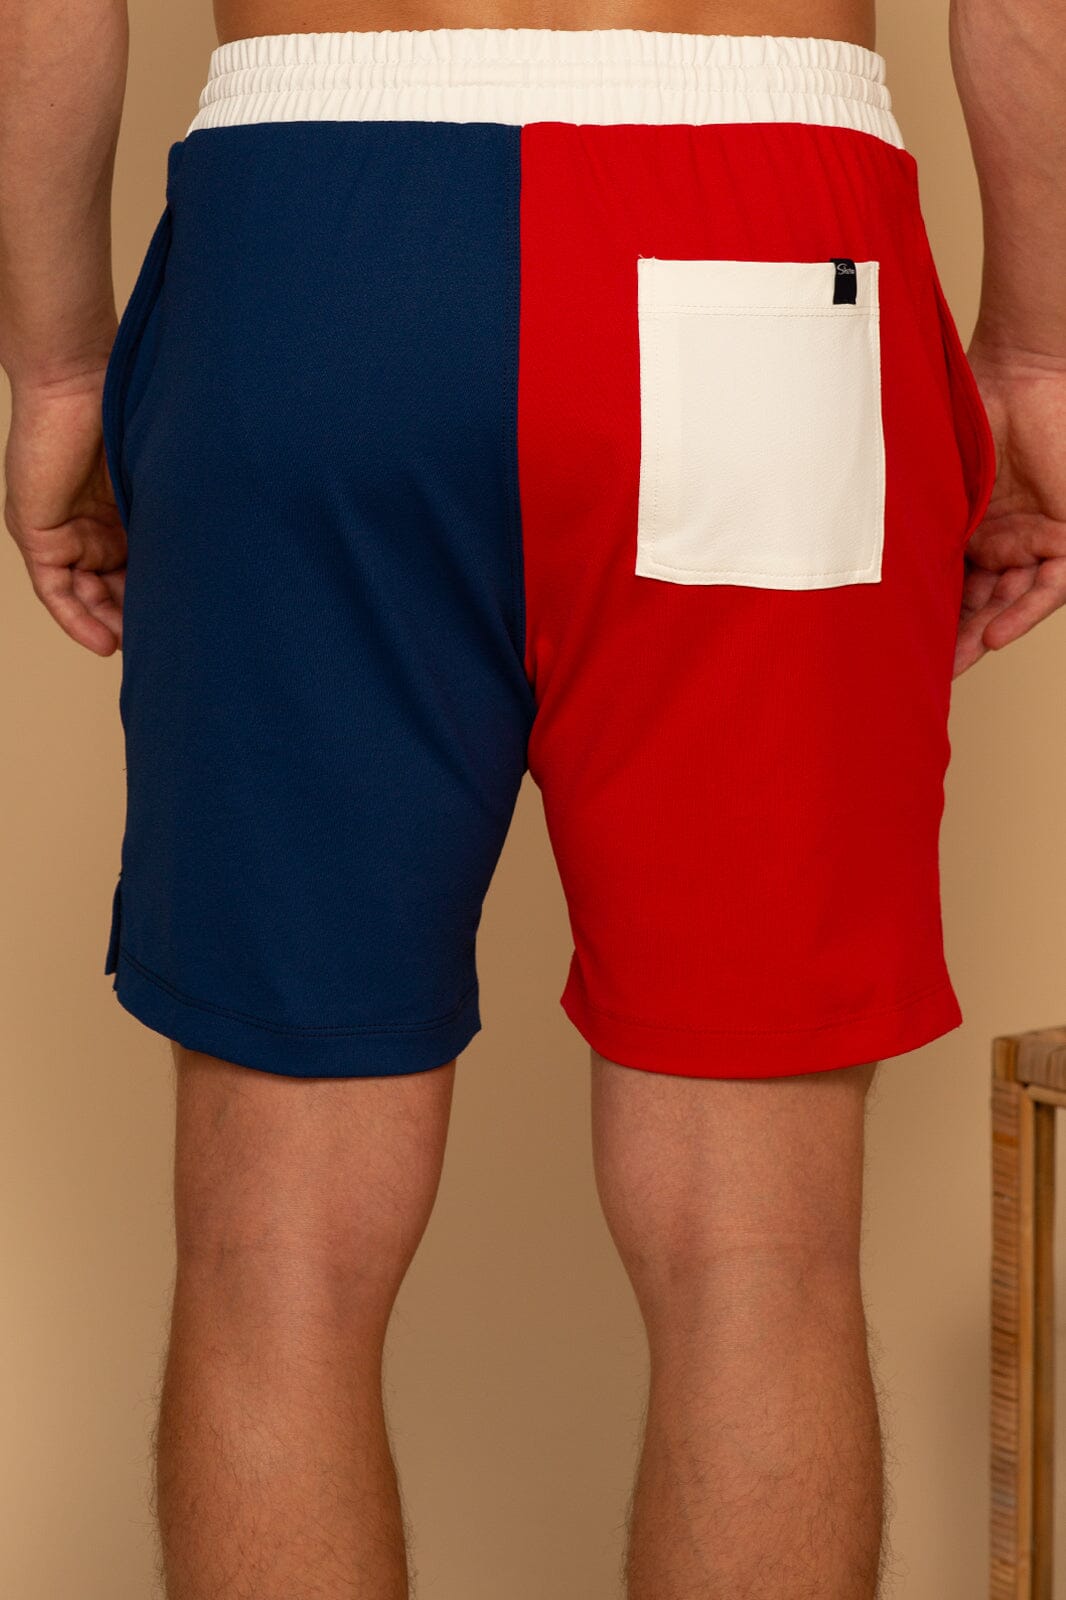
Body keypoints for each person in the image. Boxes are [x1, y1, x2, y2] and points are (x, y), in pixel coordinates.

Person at [2, 0, 1064, 1591]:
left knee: (274, 1254)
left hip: (308, 251)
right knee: (758, 1257)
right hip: (766, 239)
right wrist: (1037, 348)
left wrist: (57, 369)